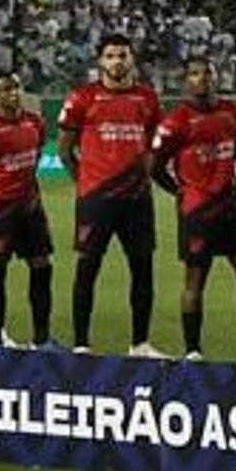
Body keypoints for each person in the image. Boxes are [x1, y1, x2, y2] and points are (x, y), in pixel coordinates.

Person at [60, 35, 166, 356]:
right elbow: (65, 151)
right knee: (88, 268)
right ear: (100, 61)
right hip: (97, 199)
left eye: (122, 55)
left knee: (142, 269)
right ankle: (80, 343)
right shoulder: (82, 97)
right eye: (110, 55)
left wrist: (146, 176)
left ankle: (140, 344)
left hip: (137, 199)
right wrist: (86, 183)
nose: (116, 61)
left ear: (132, 59)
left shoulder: (148, 98)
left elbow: (154, 147)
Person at [150, 57, 236, 361]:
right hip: (197, 212)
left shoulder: (231, 112)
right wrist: (180, 192)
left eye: (208, 72)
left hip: (232, 207)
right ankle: (193, 350)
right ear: (186, 81)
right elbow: (154, 167)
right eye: (195, 74)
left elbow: (233, 149)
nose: (203, 79)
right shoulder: (175, 121)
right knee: (195, 280)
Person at [0, 72, 54, 350]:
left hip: (30, 208)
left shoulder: (34, 122)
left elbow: (37, 153)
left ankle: (41, 339)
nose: (13, 94)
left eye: (16, 87)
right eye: (5, 89)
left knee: (42, 267)